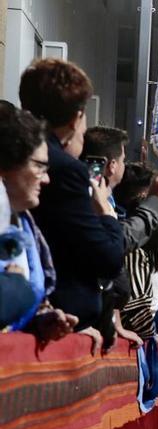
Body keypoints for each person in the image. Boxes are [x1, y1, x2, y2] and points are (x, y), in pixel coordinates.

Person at [20, 59, 123, 345]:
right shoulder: (66, 170)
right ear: (76, 118)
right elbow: (107, 259)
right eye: (37, 167)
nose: (44, 179)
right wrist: (107, 215)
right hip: (55, 318)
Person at [0, 105, 79, 343]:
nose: (46, 178)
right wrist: (16, 291)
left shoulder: (24, 221)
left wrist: (40, 320)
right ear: (6, 165)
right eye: (39, 166)